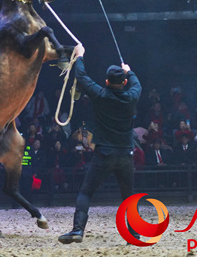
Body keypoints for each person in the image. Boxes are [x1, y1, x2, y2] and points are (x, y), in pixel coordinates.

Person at [59, 43, 142, 244]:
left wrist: (80, 55)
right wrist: (129, 72)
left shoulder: (99, 94)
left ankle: (78, 230)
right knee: (128, 196)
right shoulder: (131, 97)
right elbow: (137, 84)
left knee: (86, 192)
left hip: (104, 154)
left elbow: (82, 77)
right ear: (123, 82)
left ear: (106, 81)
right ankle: (134, 234)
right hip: (125, 155)